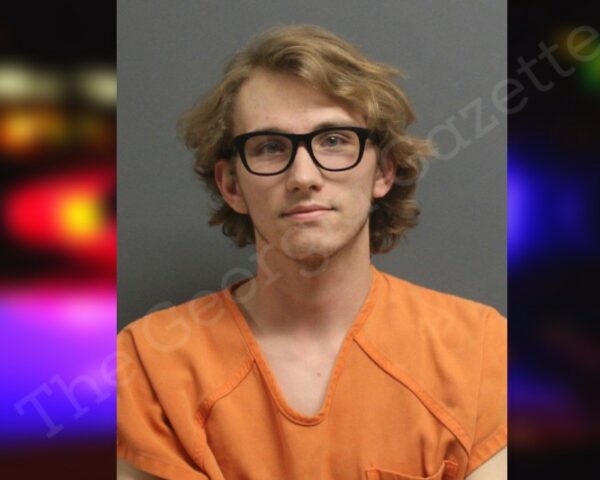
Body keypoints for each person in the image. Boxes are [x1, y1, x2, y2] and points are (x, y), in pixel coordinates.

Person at [117, 24, 507, 480]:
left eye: (334, 140)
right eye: (269, 147)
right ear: (231, 185)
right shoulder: (149, 364)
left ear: (383, 171)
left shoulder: (482, 349)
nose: (303, 176)